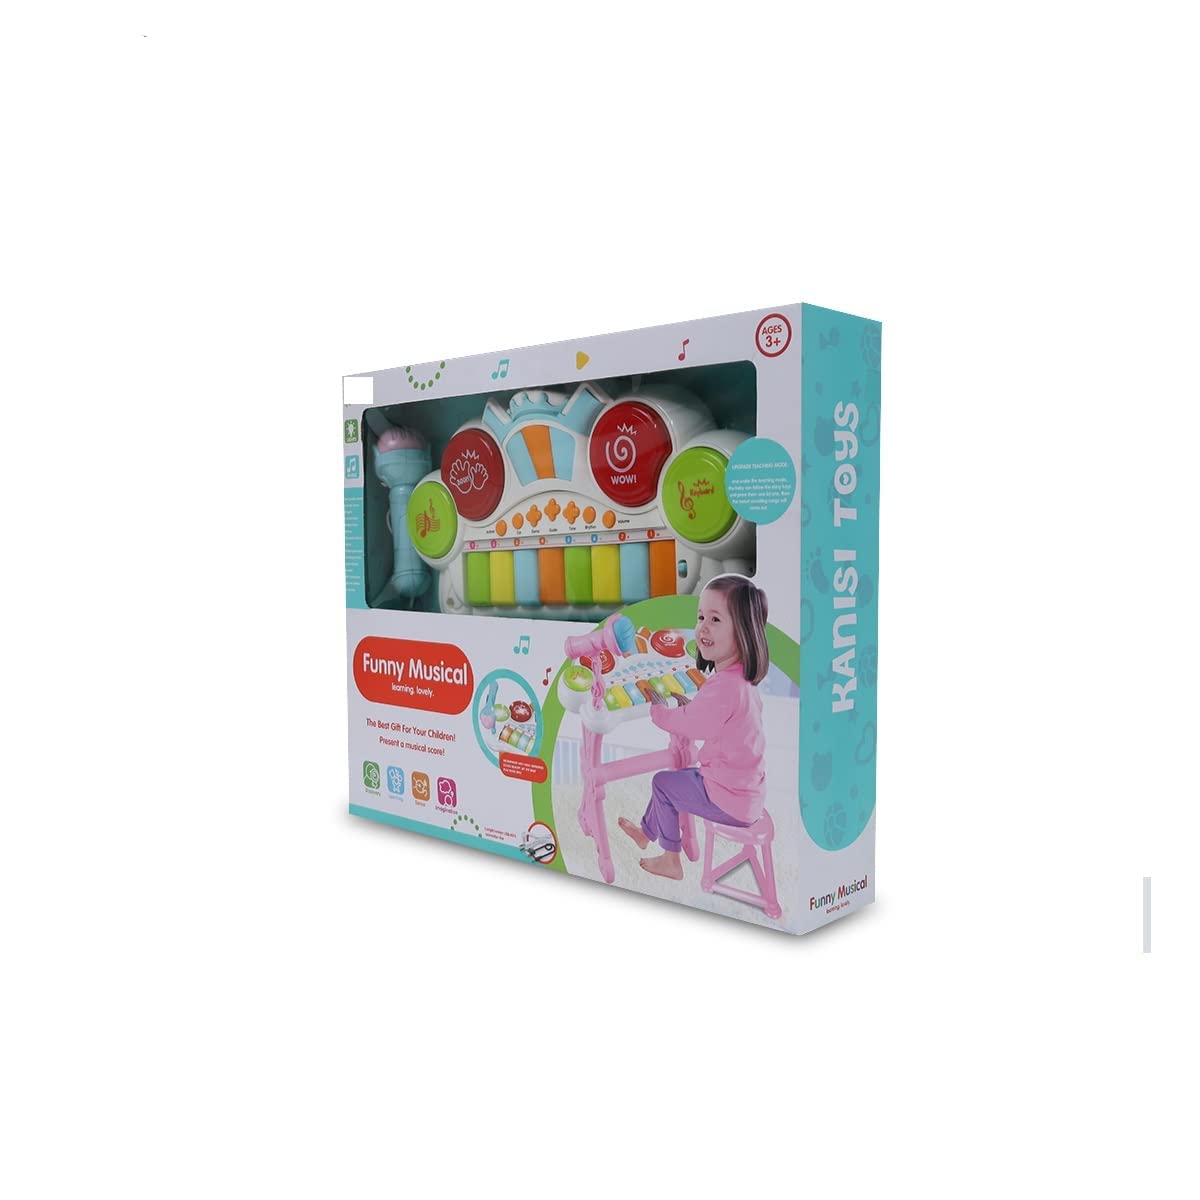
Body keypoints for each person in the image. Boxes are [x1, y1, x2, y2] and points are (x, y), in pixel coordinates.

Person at [618, 575, 769, 879]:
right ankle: (646, 833)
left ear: (742, 631)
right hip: (744, 792)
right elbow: (716, 721)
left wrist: (660, 713)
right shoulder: (741, 681)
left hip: (730, 799)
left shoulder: (725, 686)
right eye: (701, 617)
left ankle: (671, 859)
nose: (703, 627)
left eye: (715, 619)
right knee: (678, 778)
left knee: (663, 783)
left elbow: (694, 725)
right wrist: (691, 708)